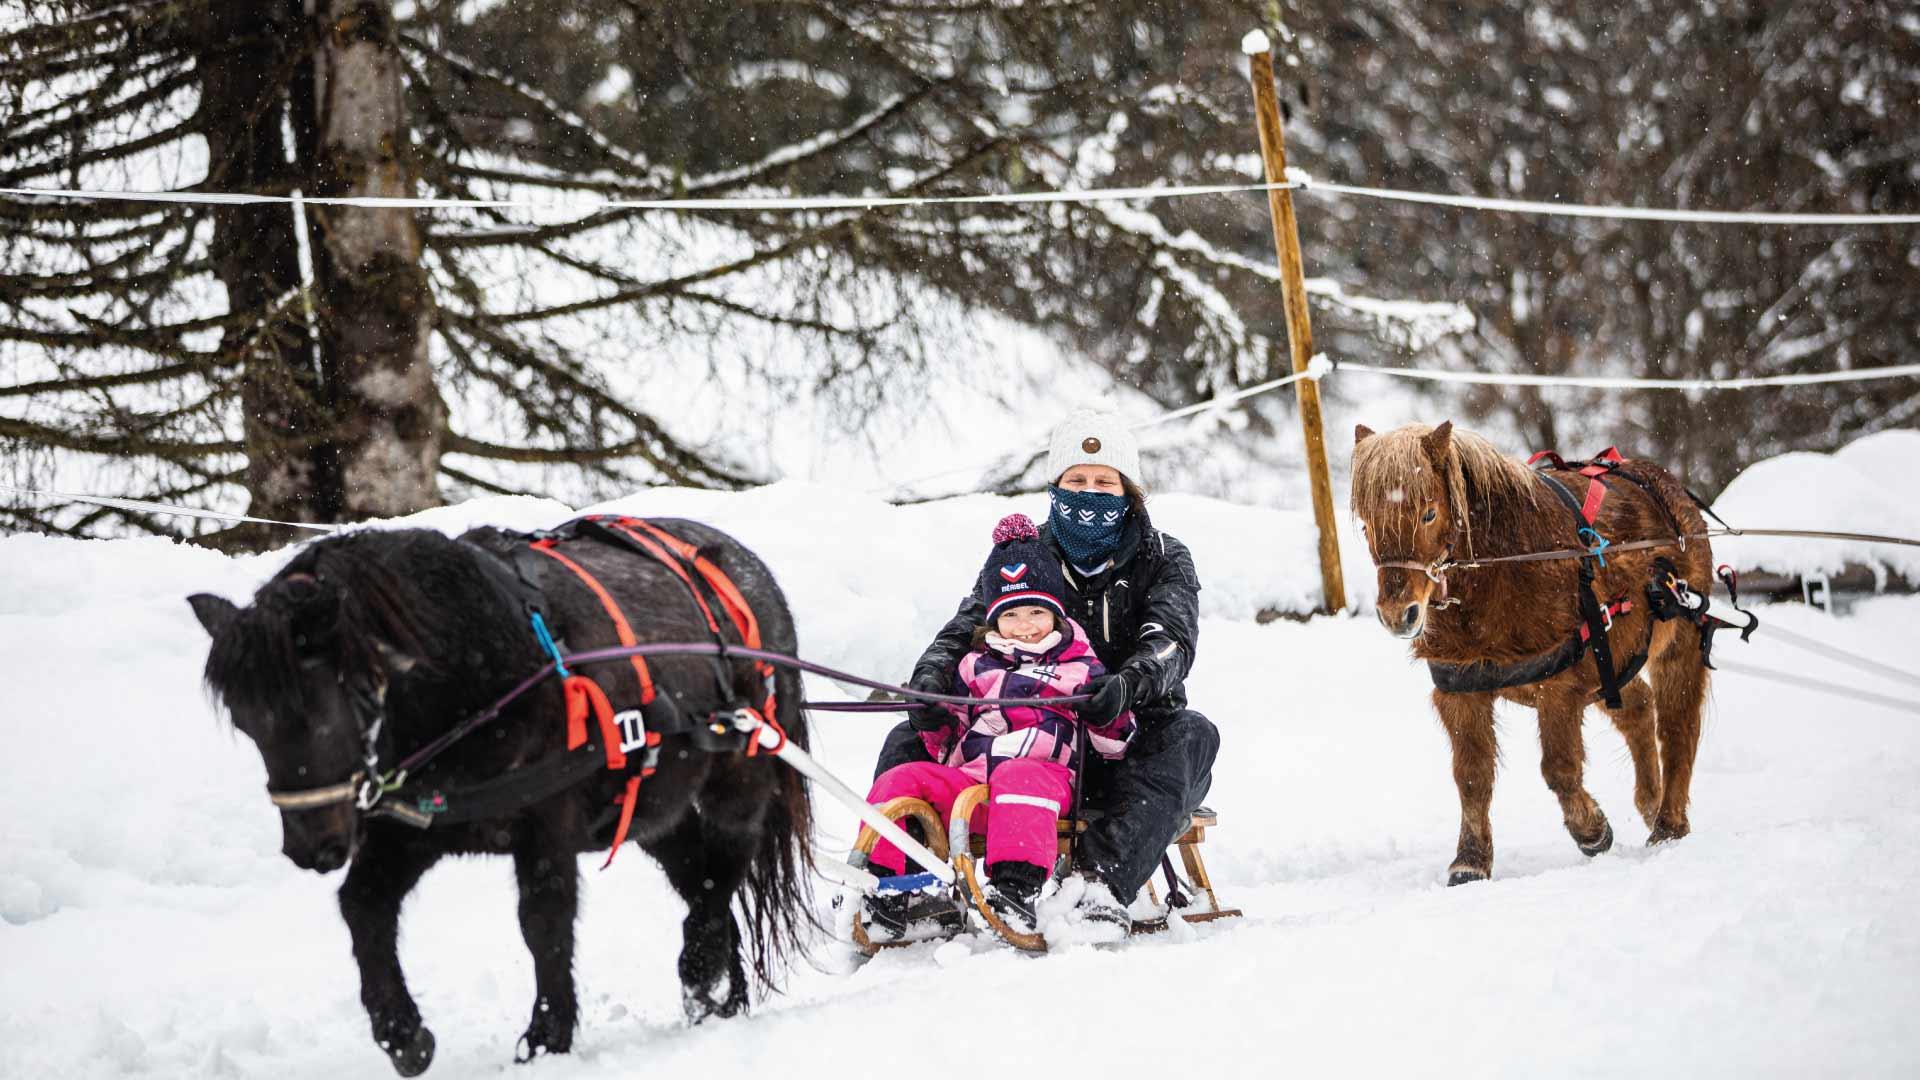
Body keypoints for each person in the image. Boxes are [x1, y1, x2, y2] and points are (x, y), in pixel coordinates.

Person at [874, 410, 1219, 941]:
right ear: (1055, 488)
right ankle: (908, 888)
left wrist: (1127, 683)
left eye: (1105, 482)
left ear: (1129, 492)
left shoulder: (1163, 556)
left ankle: (1100, 885)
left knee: (1192, 734)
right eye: (1076, 481)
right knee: (907, 739)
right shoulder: (1022, 558)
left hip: (1121, 742)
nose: (1090, 493)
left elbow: (1172, 639)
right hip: (1023, 738)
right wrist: (931, 681)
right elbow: (965, 627)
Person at [863, 514, 1134, 937]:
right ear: (993, 620)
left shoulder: (1078, 666)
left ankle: (1015, 888)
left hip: (1041, 784)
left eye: (1035, 612)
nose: (1024, 626)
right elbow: (945, 740)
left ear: (1057, 614)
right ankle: (889, 886)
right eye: (1011, 616)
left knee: (1019, 773)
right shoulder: (974, 665)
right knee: (902, 777)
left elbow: (1113, 747)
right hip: (970, 787)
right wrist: (930, 717)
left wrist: (1108, 709)